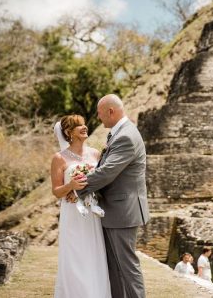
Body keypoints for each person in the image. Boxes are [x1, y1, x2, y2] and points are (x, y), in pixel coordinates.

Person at [72, 94, 150, 298]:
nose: (99, 118)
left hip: (123, 211)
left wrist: (77, 188)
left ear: (111, 111)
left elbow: (107, 171)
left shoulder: (126, 136)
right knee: (114, 269)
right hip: (114, 210)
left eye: (99, 114)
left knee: (127, 269)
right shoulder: (118, 133)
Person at [51, 114, 111, 298]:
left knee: (94, 254)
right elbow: (56, 191)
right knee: (75, 255)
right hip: (73, 213)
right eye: (79, 126)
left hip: (92, 212)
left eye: (84, 124)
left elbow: (104, 182)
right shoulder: (59, 158)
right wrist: (71, 187)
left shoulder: (95, 154)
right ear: (69, 132)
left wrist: (88, 191)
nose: (84, 127)